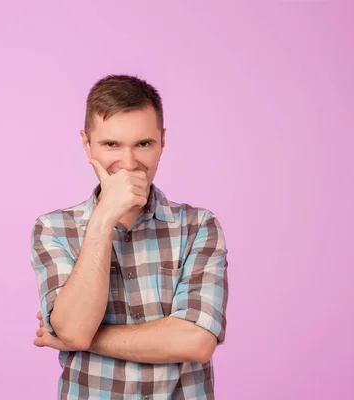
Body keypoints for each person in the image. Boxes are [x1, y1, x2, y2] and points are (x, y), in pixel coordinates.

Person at [30, 74, 229, 399]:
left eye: (143, 144)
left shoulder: (198, 226)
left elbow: (196, 341)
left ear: (162, 142)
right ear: (86, 144)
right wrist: (104, 217)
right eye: (111, 144)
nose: (128, 163)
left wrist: (84, 338)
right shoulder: (53, 229)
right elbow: (75, 329)